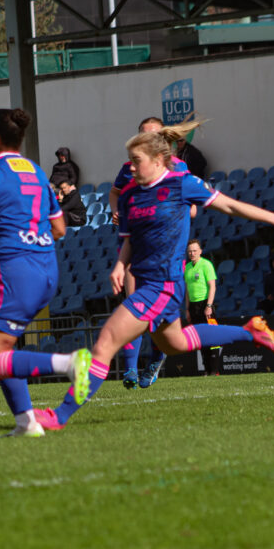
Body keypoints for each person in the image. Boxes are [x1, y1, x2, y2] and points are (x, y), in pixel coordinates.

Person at [33, 119, 274, 432]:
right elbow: (129, 238)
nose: (131, 167)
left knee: (105, 342)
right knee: (176, 344)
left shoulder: (182, 184)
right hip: (148, 282)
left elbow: (230, 206)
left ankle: (59, 416)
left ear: (157, 161)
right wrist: (119, 265)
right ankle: (251, 332)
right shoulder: (130, 194)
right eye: (129, 160)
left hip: (162, 285)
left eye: (136, 161)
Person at [0, 108, 93, 439]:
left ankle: (69, 364)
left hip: (16, 271)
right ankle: (27, 423)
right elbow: (59, 227)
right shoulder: (38, 173)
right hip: (46, 270)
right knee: (4, 350)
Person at [109, 116, 193, 390]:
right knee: (135, 305)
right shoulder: (130, 168)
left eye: (152, 134)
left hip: (166, 250)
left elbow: (192, 205)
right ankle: (131, 370)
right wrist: (118, 212)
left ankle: (154, 361)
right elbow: (115, 192)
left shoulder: (180, 169)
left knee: (160, 316)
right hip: (137, 244)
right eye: (143, 134)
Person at [183, 239, 221, 375]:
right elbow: (187, 290)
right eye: (189, 251)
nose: (192, 253)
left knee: (213, 338)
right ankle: (206, 370)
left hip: (205, 304)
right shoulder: (187, 268)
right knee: (201, 339)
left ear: (200, 251)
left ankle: (215, 370)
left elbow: (212, 286)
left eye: (194, 251)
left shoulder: (206, 265)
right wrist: (187, 309)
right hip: (193, 307)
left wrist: (209, 306)